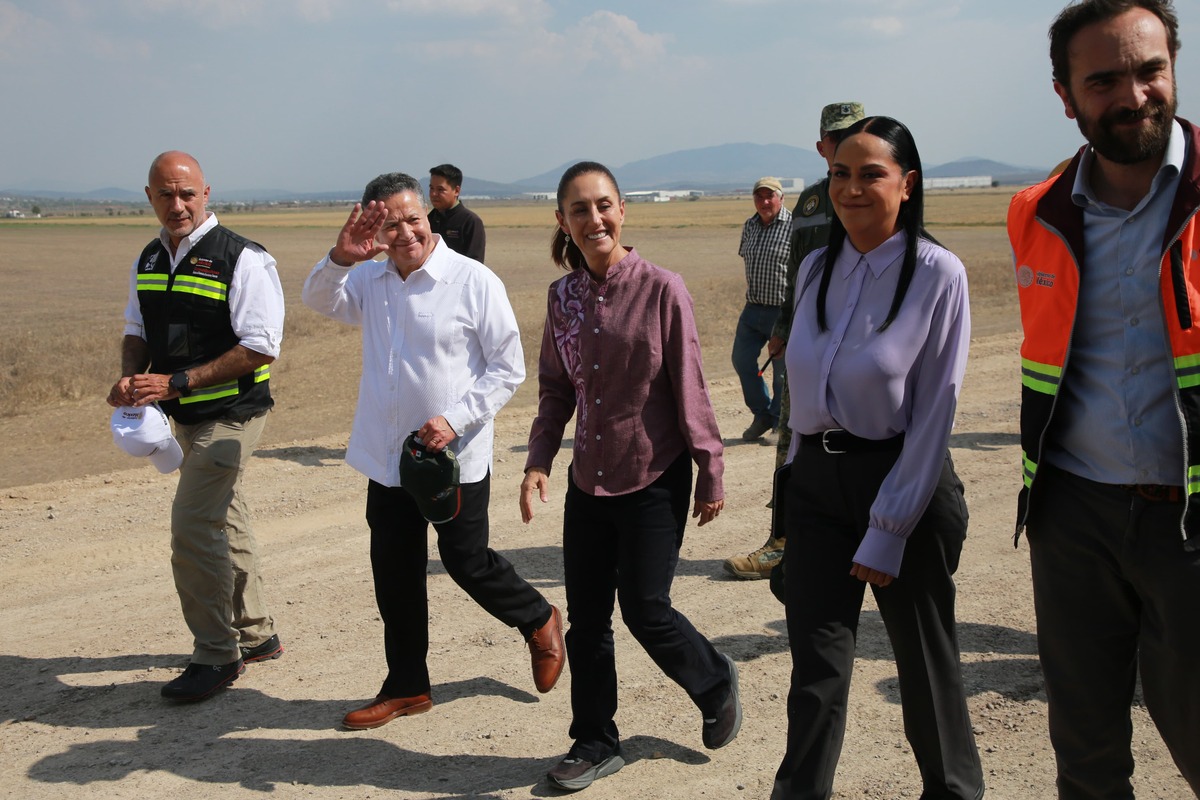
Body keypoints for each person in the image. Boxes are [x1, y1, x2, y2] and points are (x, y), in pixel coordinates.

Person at [1007, 1, 1200, 795]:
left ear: (1175, 68)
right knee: (1085, 753)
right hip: (1074, 519)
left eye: (1150, 70)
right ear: (1065, 95)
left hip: (1188, 521)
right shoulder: (1034, 213)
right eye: (1104, 79)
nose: (1134, 95)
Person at [302, 171, 564, 731]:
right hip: (388, 459)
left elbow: (507, 367)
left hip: (454, 459)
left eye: (412, 219)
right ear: (374, 227)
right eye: (390, 224)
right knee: (393, 572)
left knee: (466, 562)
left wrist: (455, 419)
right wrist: (341, 256)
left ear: (428, 216)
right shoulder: (370, 281)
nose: (405, 233)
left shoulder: (471, 281)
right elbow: (317, 299)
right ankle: (408, 686)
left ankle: (539, 618)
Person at [771, 117, 983, 799]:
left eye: (871, 174)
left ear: (908, 183)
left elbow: (933, 416)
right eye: (841, 173)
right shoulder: (813, 269)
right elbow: (799, 402)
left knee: (924, 667)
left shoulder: (936, 274)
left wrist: (889, 529)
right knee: (816, 674)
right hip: (815, 488)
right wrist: (791, 494)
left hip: (902, 483)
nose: (852, 188)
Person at [521, 161, 741, 791]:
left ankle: (715, 679)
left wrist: (710, 467)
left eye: (604, 205)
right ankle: (594, 740)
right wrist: (539, 459)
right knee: (588, 621)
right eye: (579, 209)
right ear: (561, 221)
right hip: (587, 479)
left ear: (623, 211)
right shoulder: (560, 298)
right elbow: (555, 390)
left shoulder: (662, 288)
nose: (594, 219)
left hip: (654, 472)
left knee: (647, 608)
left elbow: (689, 385)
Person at [105, 150, 285, 703]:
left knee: (191, 523)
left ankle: (216, 655)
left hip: (231, 417)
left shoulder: (244, 258)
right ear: (150, 197)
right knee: (224, 517)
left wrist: (177, 382)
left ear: (207, 193)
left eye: (187, 193)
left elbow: (260, 347)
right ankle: (255, 635)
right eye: (166, 194)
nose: (177, 204)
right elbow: (137, 328)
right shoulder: (150, 257)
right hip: (180, 416)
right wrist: (131, 379)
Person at [724, 102, 865, 581]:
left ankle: (874, 538)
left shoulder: (882, 192)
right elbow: (795, 276)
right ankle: (782, 542)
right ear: (822, 146)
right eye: (835, 139)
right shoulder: (809, 204)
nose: (843, 146)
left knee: (870, 443)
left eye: (854, 135)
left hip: (865, 349)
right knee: (793, 443)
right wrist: (784, 327)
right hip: (810, 342)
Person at [734, 176, 792, 441]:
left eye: (770, 196)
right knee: (742, 360)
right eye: (759, 197)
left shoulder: (794, 227)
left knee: (781, 372)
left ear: (781, 198)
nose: (764, 201)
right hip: (753, 308)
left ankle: (780, 422)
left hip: (782, 310)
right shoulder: (750, 226)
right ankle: (762, 414)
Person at [427, 163, 486, 261]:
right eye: (431, 188)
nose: (433, 194)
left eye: (440, 189)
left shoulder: (470, 222)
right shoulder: (428, 220)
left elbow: (475, 262)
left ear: (456, 191)